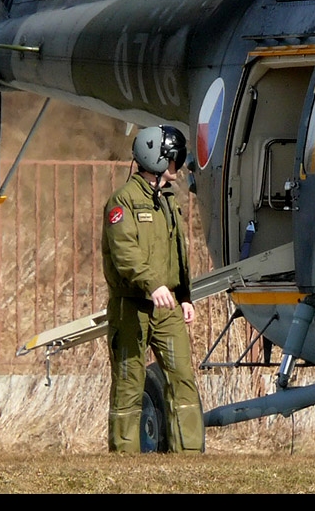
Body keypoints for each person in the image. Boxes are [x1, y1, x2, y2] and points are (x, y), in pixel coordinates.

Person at [102, 124, 204, 454]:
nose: (178, 166)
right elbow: (124, 253)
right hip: (131, 306)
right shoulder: (124, 202)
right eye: (174, 159)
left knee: (182, 377)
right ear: (156, 160)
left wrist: (184, 295)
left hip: (168, 306)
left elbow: (178, 252)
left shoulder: (168, 203)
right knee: (129, 381)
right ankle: (125, 459)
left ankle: (189, 455)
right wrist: (152, 283)